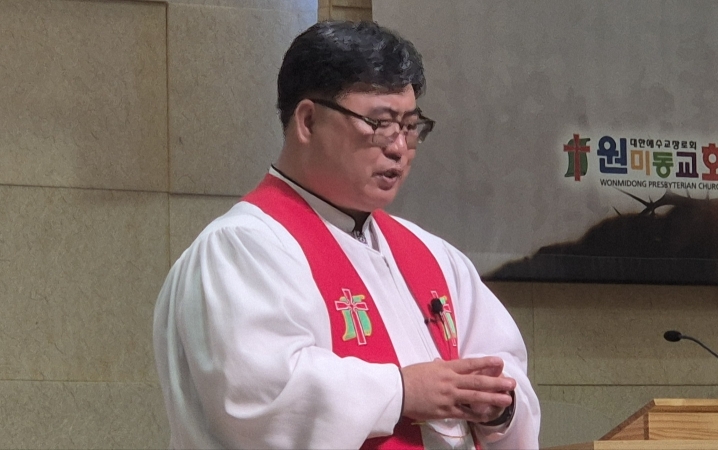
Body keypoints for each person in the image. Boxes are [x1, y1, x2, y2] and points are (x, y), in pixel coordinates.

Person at [153, 20, 540, 449]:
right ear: (307, 121)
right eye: (380, 123)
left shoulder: (432, 255)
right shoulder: (245, 247)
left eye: (410, 127)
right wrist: (402, 390)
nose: (398, 147)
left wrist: (498, 407)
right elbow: (260, 398)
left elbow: (504, 364)